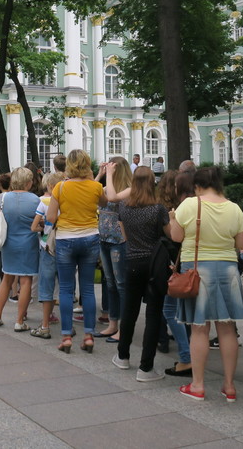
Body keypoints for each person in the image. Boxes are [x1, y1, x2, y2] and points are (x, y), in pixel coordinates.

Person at [171, 166, 243, 402]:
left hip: (196, 270)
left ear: (197, 185)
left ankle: (198, 385)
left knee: (199, 328)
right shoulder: (234, 208)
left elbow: (176, 237)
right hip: (227, 269)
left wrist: (174, 217)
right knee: (226, 329)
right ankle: (229, 385)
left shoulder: (189, 205)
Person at [105, 163, 171, 381]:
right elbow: (169, 235)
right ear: (153, 183)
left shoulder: (124, 207)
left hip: (131, 261)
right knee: (153, 314)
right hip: (154, 264)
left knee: (130, 311)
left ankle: (122, 356)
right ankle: (145, 368)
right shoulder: (159, 209)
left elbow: (124, 235)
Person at [46, 149, 107, 354]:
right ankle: (89, 335)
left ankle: (66, 337)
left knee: (65, 289)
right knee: (87, 288)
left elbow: (51, 217)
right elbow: (104, 204)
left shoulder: (61, 188)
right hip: (90, 238)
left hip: (66, 239)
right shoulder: (96, 187)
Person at [0, 167, 40, 331]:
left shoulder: (5, 198)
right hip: (28, 243)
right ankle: (19, 320)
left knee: (7, 279)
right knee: (26, 280)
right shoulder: (35, 200)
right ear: (28, 182)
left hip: (9, 242)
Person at [159, 169, 193, 377]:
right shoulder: (194, 206)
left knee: (170, 310)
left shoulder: (169, 210)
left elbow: (174, 237)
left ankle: (187, 357)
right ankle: (190, 353)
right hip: (188, 264)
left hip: (174, 265)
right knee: (185, 312)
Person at [96, 156, 131, 339]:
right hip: (104, 239)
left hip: (119, 241)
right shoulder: (105, 186)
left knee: (121, 284)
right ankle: (112, 323)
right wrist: (100, 174)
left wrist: (108, 175)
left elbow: (112, 197)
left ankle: (124, 327)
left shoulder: (129, 190)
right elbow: (90, 196)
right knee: (110, 284)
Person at [30, 171, 64, 339]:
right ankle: (67, 327)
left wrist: (43, 229)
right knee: (65, 286)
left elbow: (34, 226)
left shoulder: (43, 202)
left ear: (50, 186)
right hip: (65, 245)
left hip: (47, 247)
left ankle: (45, 325)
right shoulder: (67, 201)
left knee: (46, 286)